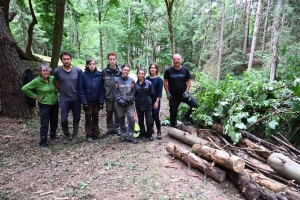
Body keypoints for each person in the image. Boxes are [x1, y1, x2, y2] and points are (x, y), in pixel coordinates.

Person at [22, 63, 59, 149]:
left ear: (49, 71)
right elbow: (24, 88)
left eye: (47, 70)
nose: (46, 72)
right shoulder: (36, 81)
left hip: (55, 103)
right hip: (44, 104)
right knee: (44, 123)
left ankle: (53, 136)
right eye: (43, 70)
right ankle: (43, 142)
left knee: (54, 121)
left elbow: (58, 86)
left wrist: (57, 89)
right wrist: (35, 96)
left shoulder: (53, 78)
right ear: (40, 72)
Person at [163, 54, 199, 128]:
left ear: (181, 60)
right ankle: (173, 126)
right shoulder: (169, 70)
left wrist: (187, 91)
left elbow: (189, 80)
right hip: (173, 96)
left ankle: (185, 117)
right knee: (173, 111)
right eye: (175, 59)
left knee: (195, 105)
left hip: (184, 94)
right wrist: (167, 92)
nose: (176, 61)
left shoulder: (185, 70)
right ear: (173, 60)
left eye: (178, 59)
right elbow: (165, 81)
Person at [54, 52, 82, 144]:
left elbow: (80, 83)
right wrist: (59, 89)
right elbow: (56, 82)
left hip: (76, 98)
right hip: (63, 99)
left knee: (76, 117)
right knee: (63, 119)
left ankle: (74, 135)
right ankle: (66, 134)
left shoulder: (77, 70)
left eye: (68, 59)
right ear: (61, 60)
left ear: (71, 59)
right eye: (64, 59)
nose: (66, 61)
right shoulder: (57, 71)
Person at [78, 58, 105, 142]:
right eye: (90, 64)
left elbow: (102, 89)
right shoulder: (83, 75)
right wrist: (84, 102)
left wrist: (101, 101)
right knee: (88, 117)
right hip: (88, 101)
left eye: (93, 64)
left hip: (96, 101)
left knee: (95, 117)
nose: (92, 66)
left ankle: (96, 132)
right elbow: (81, 89)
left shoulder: (99, 75)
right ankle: (89, 134)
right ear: (87, 65)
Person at [114, 64, 138, 144]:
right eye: (125, 70)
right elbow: (116, 92)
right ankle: (123, 134)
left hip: (129, 104)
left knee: (131, 120)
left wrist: (128, 101)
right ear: (122, 70)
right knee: (121, 120)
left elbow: (133, 92)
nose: (126, 72)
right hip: (119, 104)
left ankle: (130, 135)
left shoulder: (131, 80)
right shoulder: (116, 80)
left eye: (128, 70)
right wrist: (121, 101)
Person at [102, 52, 122, 136]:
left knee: (117, 114)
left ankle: (117, 128)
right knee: (109, 113)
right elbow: (101, 85)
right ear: (108, 60)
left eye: (114, 59)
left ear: (116, 60)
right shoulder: (104, 72)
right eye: (110, 59)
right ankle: (110, 128)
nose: (112, 61)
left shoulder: (120, 72)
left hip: (117, 98)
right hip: (108, 98)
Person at [135, 68, 156, 141]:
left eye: (142, 73)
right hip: (139, 106)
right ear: (137, 74)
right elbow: (134, 95)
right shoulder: (135, 85)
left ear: (144, 74)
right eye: (139, 73)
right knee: (141, 121)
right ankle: (143, 134)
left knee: (149, 121)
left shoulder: (149, 83)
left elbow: (153, 94)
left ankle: (149, 135)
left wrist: (150, 102)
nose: (141, 75)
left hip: (148, 105)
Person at [146, 63, 163, 140]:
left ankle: (159, 130)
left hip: (156, 100)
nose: (152, 69)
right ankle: (151, 129)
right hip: (148, 100)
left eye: (154, 68)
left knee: (155, 116)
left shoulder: (159, 79)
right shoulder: (147, 78)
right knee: (149, 116)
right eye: (151, 68)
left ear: (156, 69)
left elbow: (160, 92)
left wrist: (157, 101)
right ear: (149, 69)